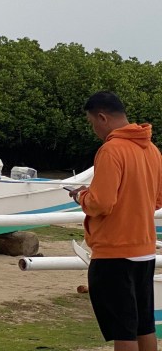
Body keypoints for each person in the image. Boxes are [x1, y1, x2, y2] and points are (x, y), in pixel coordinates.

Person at [69, 91, 162, 351]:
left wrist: (82, 196)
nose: (94, 130)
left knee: (123, 330)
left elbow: (101, 203)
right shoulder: (152, 150)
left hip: (114, 252)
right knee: (144, 325)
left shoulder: (111, 149)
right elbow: (157, 200)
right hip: (144, 250)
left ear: (102, 118)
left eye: (92, 123)